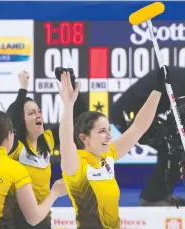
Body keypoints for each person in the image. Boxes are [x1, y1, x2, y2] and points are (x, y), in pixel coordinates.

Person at [58, 66, 166, 228]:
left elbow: (138, 128)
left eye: (109, 129)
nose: (109, 135)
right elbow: (66, 139)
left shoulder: (109, 156)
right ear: (83, 138)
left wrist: (158, 89)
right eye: (102, 131)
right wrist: (68, 105)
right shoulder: (75, 165)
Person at [6, 71, 86, 229]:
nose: (38, 115)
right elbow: (11, 121)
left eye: (39, 111)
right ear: (22, 121)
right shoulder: (14, 146)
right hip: (17, 219)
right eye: (31, 113)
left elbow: (79, 120)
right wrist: (23, 88)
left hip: (43, 216)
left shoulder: (47, 140)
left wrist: (72, 90)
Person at [109, 66, 185, 206]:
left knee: (172, 147)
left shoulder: (180, 78)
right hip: (127, 115)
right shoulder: (182, 83)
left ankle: (158, 194)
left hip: (140, 113)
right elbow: (178, 121)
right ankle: (153, 197)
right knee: (173, 147)